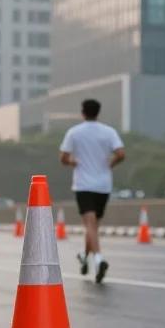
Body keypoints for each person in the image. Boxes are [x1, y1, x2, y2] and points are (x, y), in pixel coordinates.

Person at [59, 99, 125, 283]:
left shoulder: (74, 132)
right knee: (93, 226)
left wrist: (73, 162)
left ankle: (98, 259)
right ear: (98, 112)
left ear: (83, 112)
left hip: (83, 184)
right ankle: (84, 255)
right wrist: (110, 164)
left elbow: (63, 157)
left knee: (90, 225)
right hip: (103, 185)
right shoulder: (108, 131)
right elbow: (121, 154)